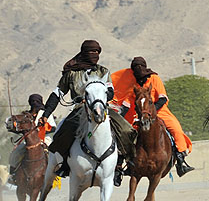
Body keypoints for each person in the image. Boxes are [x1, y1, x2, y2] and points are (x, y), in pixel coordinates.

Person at [40, 40, 137, 178]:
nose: (94, 54)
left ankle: (123, 162)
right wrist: (46, 113)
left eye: (97, 52)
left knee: (126, 130)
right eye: (91, 52)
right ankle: (65, 165)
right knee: (62, 134)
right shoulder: (71, 73)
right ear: (84, 53)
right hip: (80, 109)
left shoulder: (103, 71)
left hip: (101, 107)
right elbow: (57, 94)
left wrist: (99, 98)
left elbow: (110, 92)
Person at [116, 57, 194, 179]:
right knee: (125, 134)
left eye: (140, 67)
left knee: (176, 129)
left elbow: (163, 98)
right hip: (137, 113)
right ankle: (120, 166)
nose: (138, 70)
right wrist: (119, 117)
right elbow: (126, 103)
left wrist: (151, 111)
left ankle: (180, 160)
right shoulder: (132, 84)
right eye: (136, 68)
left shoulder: (154, 78)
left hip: (159, 111)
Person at [7, 94, 56, 185]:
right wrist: (13, 127)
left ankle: (53, 174)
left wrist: (41, 129)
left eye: (37, 101)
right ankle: (13, 175)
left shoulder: (46, 114)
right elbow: (20, 128)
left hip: (44, 139)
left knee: (53, 154)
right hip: (28, 141)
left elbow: (53, 127)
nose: (34, 103)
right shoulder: (26, 115)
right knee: (15, 153)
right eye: (32, 101)